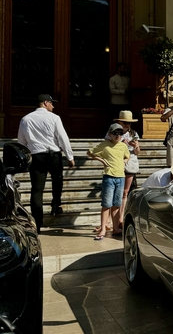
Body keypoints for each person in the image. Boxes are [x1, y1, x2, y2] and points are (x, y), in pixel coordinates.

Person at [17, 94, 75, 233]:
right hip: (53, 154)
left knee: (37, 189)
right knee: (57, 180)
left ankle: (37, 222)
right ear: (45, 103)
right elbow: (62, 137)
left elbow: (21, 141)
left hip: (36, 155)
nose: (53, 106)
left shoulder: (26, 119)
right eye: (52, 103)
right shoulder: (54, 118)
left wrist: (25, 156)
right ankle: (55, 205)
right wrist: (69, 156)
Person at [87, 123, 130, 240]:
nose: (118, 136)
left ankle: (116, 228)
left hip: (121, 177)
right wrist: (101, 160)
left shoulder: (123, 146)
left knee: (117, 204)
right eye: (115, 133)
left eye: (120, 133)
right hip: (109, 177)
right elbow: (90, 152)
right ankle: (103, 229)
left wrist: (125, 161)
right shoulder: (104, 145)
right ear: (110, 134)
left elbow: (128, 155)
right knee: (106, 204)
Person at [111, 111, 140, 228]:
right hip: (117, 162)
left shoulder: (133, 134)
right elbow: (107, 146)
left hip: (130, 161)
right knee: (114, 191)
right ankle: (110, 220)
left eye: (129, 123)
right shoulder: (113, 132)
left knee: (125, 192)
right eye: (124, 123)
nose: (127, 125)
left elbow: (138, 152)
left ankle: (121, 218)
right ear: (119, 122)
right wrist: (119, 142)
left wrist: (135, 146)